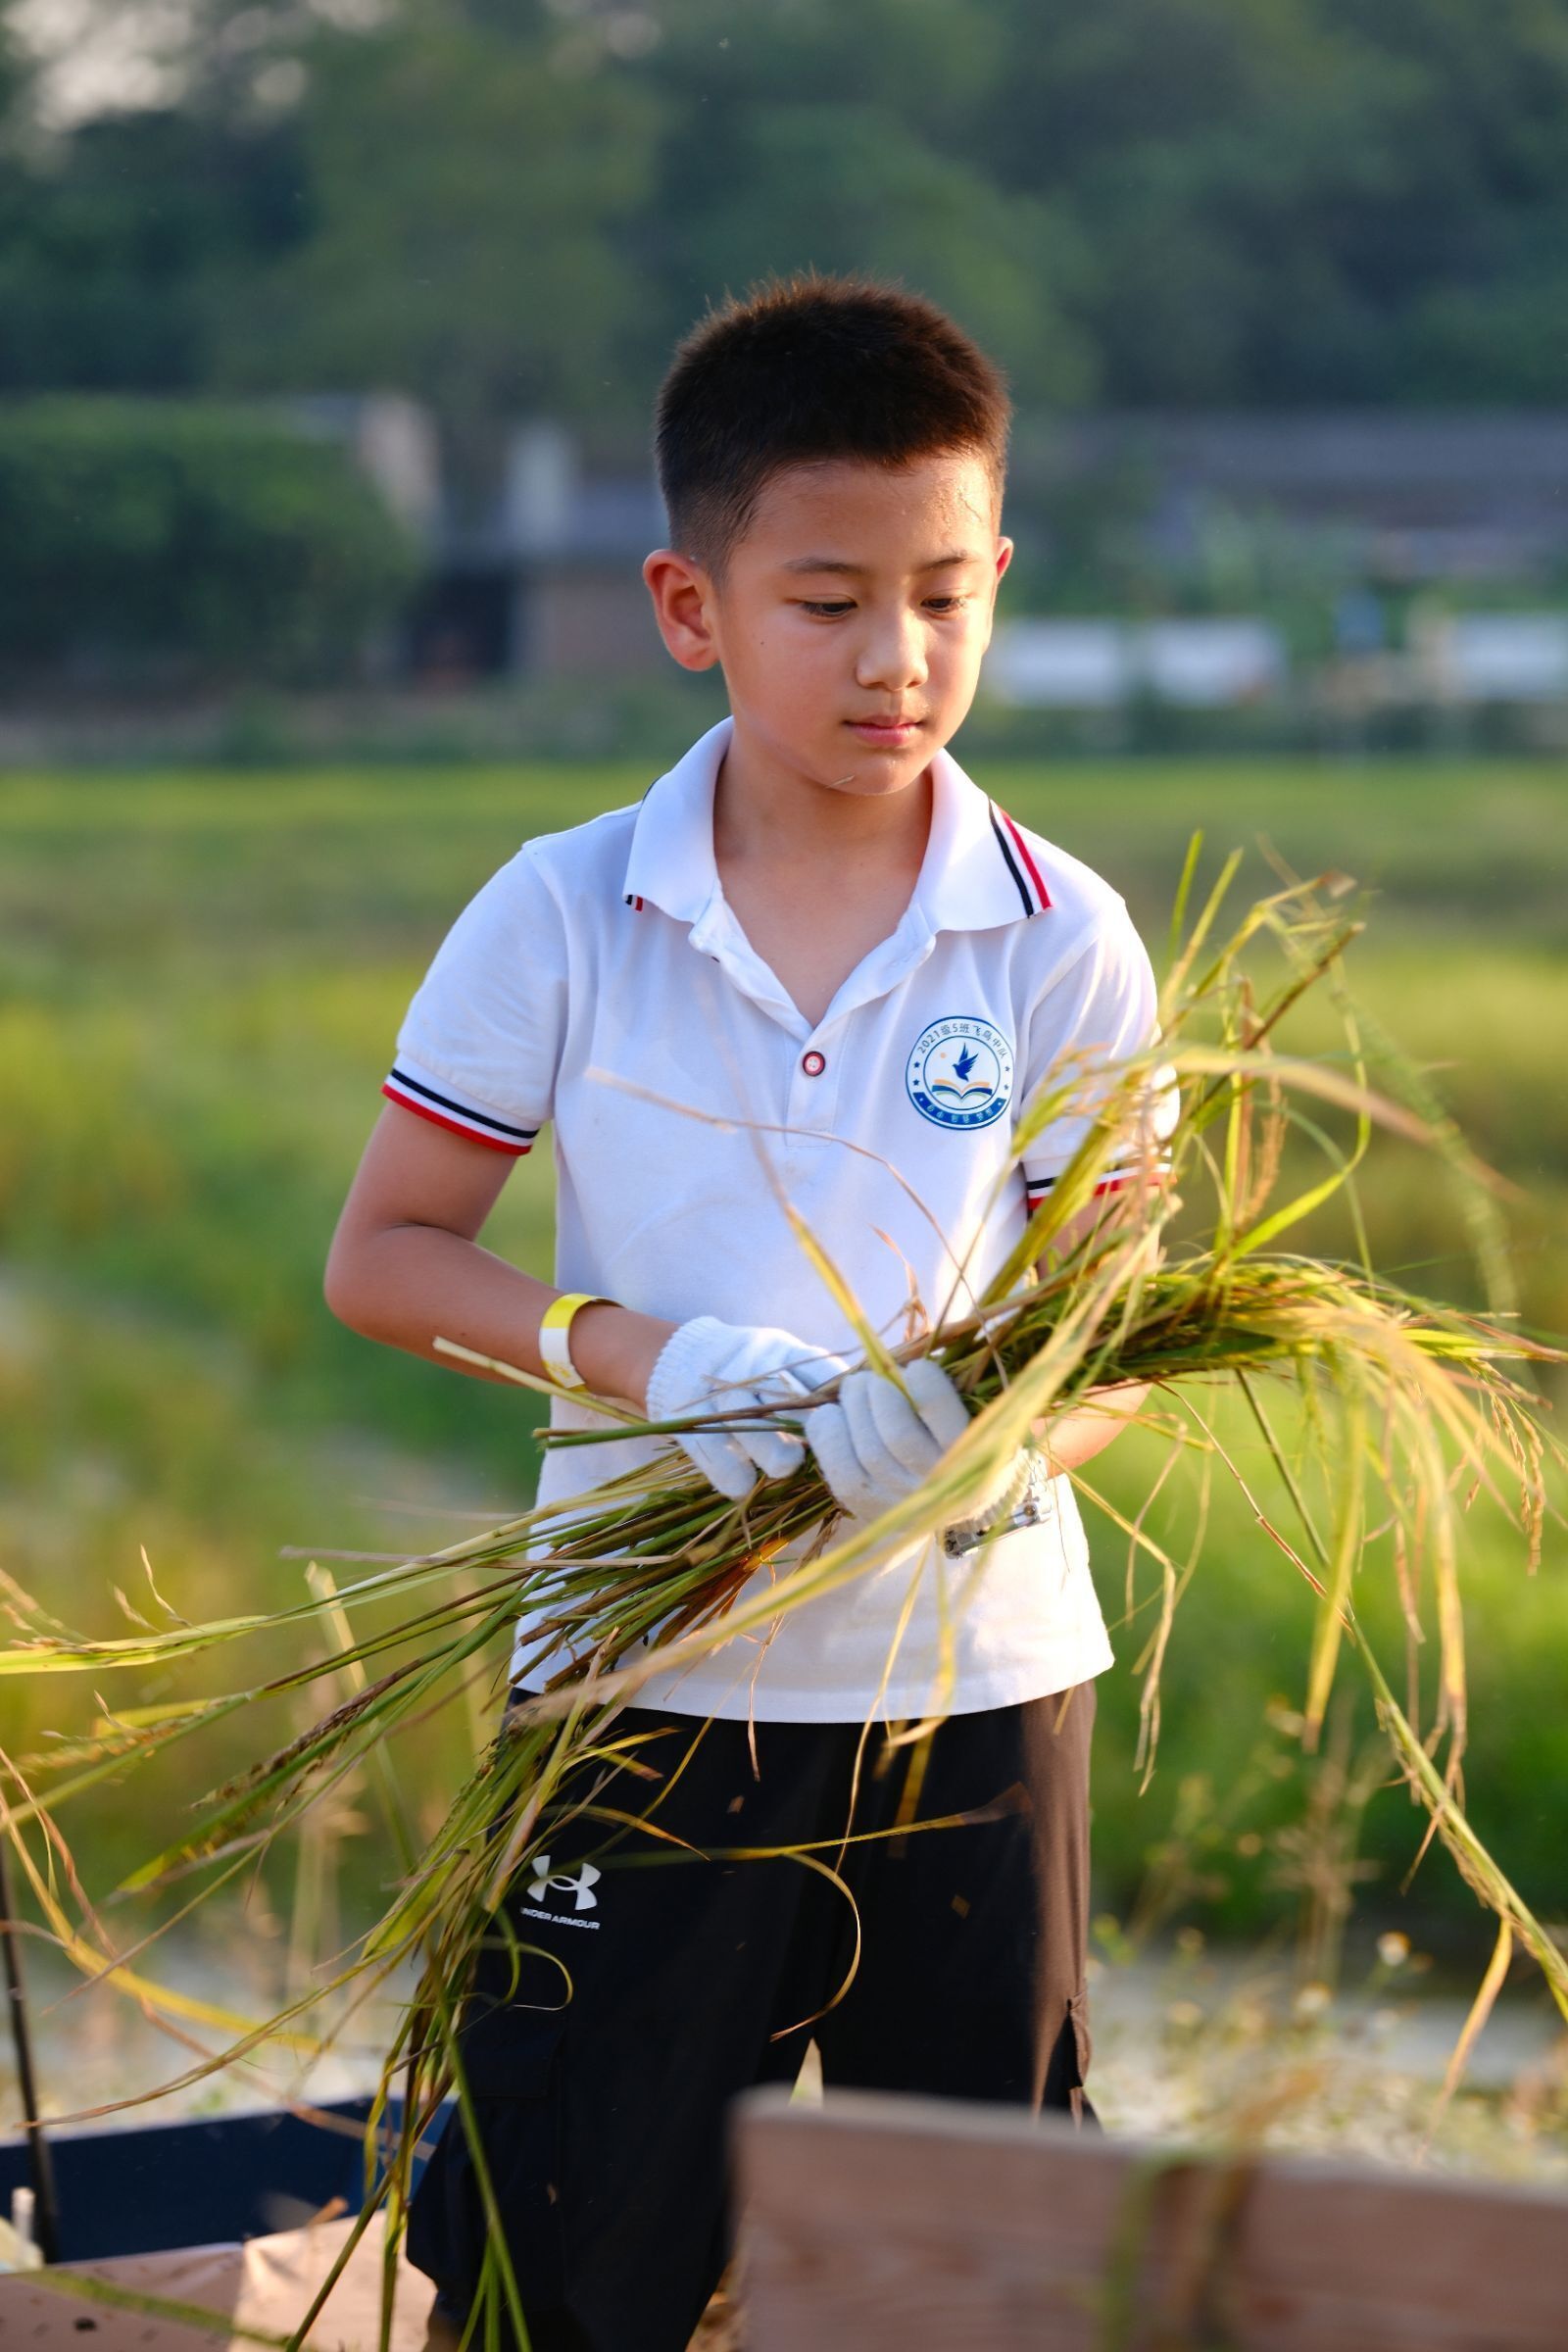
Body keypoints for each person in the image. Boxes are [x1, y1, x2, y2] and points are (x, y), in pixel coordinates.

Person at [323, 274, 1170, 2352]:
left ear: (994, 583)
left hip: (973, 1689)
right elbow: (388, 1256)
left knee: (972, 2274)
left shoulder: (1056, 940)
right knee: (565, 2256)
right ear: (685, 606)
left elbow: (1116, 1321)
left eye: (944, 595)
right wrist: (647, 1361)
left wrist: (989, 1455)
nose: (897, 660)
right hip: (640, 1682)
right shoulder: (559, 910)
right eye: (824, 602)